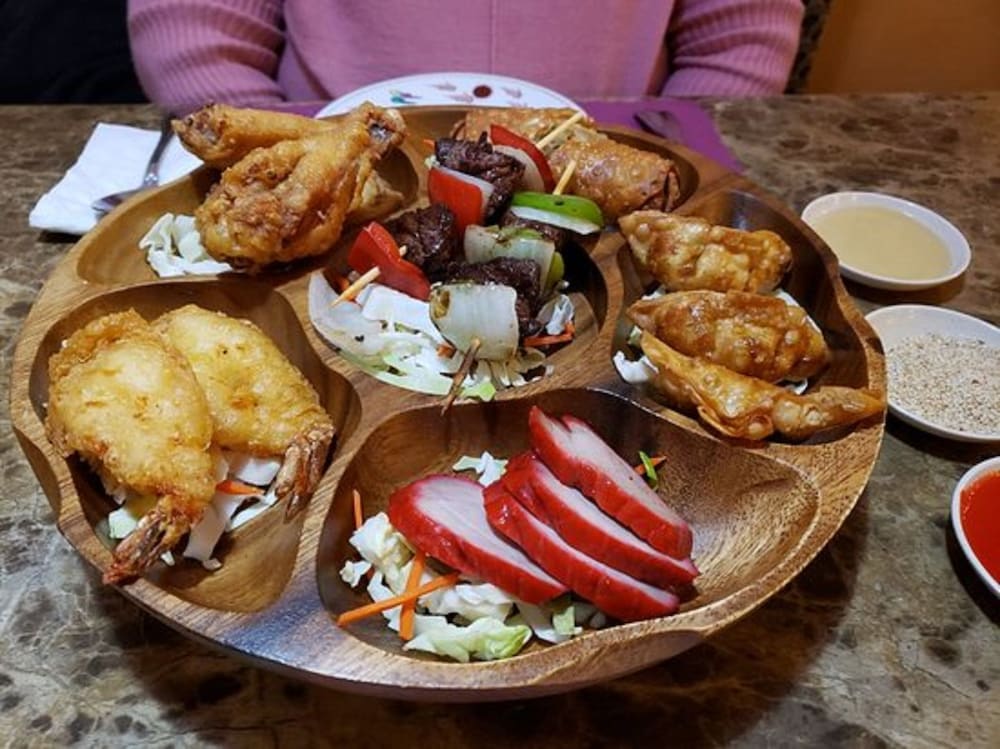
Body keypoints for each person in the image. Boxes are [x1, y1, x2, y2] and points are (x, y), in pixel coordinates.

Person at [127, 0, 803, 115]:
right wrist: (289, 171)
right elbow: (193, 25)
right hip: (326, 157)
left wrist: (667, 164)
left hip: (611, 163)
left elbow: (740, 33)